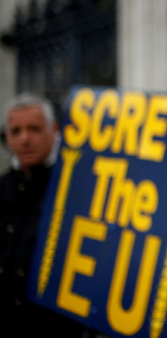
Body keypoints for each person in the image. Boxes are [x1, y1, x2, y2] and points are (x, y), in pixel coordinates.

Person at [0, 93, 86, 336]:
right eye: (16, 131)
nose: (25, 139)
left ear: (54, 130)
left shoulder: (76, 190)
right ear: (7, 137)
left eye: (34, 129)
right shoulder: (3, 189)